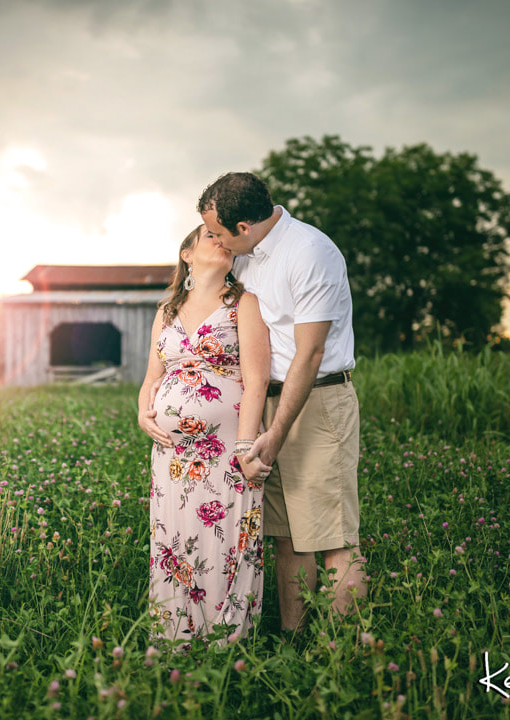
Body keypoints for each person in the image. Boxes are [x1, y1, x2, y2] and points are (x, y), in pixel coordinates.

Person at [197, 171, 367, 633]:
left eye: (216, 232)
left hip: (316, 402)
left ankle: (341, 654)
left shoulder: (309, 251)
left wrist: (276, 433)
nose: (213, 240)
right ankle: (296, 643)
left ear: (244, 227)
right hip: (267, 403)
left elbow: (309, 352)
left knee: (333, 537)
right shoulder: (245, 257)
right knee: (287, 537)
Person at [138, 224, 271, 646]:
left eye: (223, 236)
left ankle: (225, 640)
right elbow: (151, 377)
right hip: (173, 454)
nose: (221, 239)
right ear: (187, 254)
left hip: (226, 450)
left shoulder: (243, 304)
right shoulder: (167, 310)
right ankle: (175, 636)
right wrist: (144, 412)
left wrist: (245, 447)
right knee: (176, 537)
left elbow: (256, 380)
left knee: (226, 538)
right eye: (209, 235)